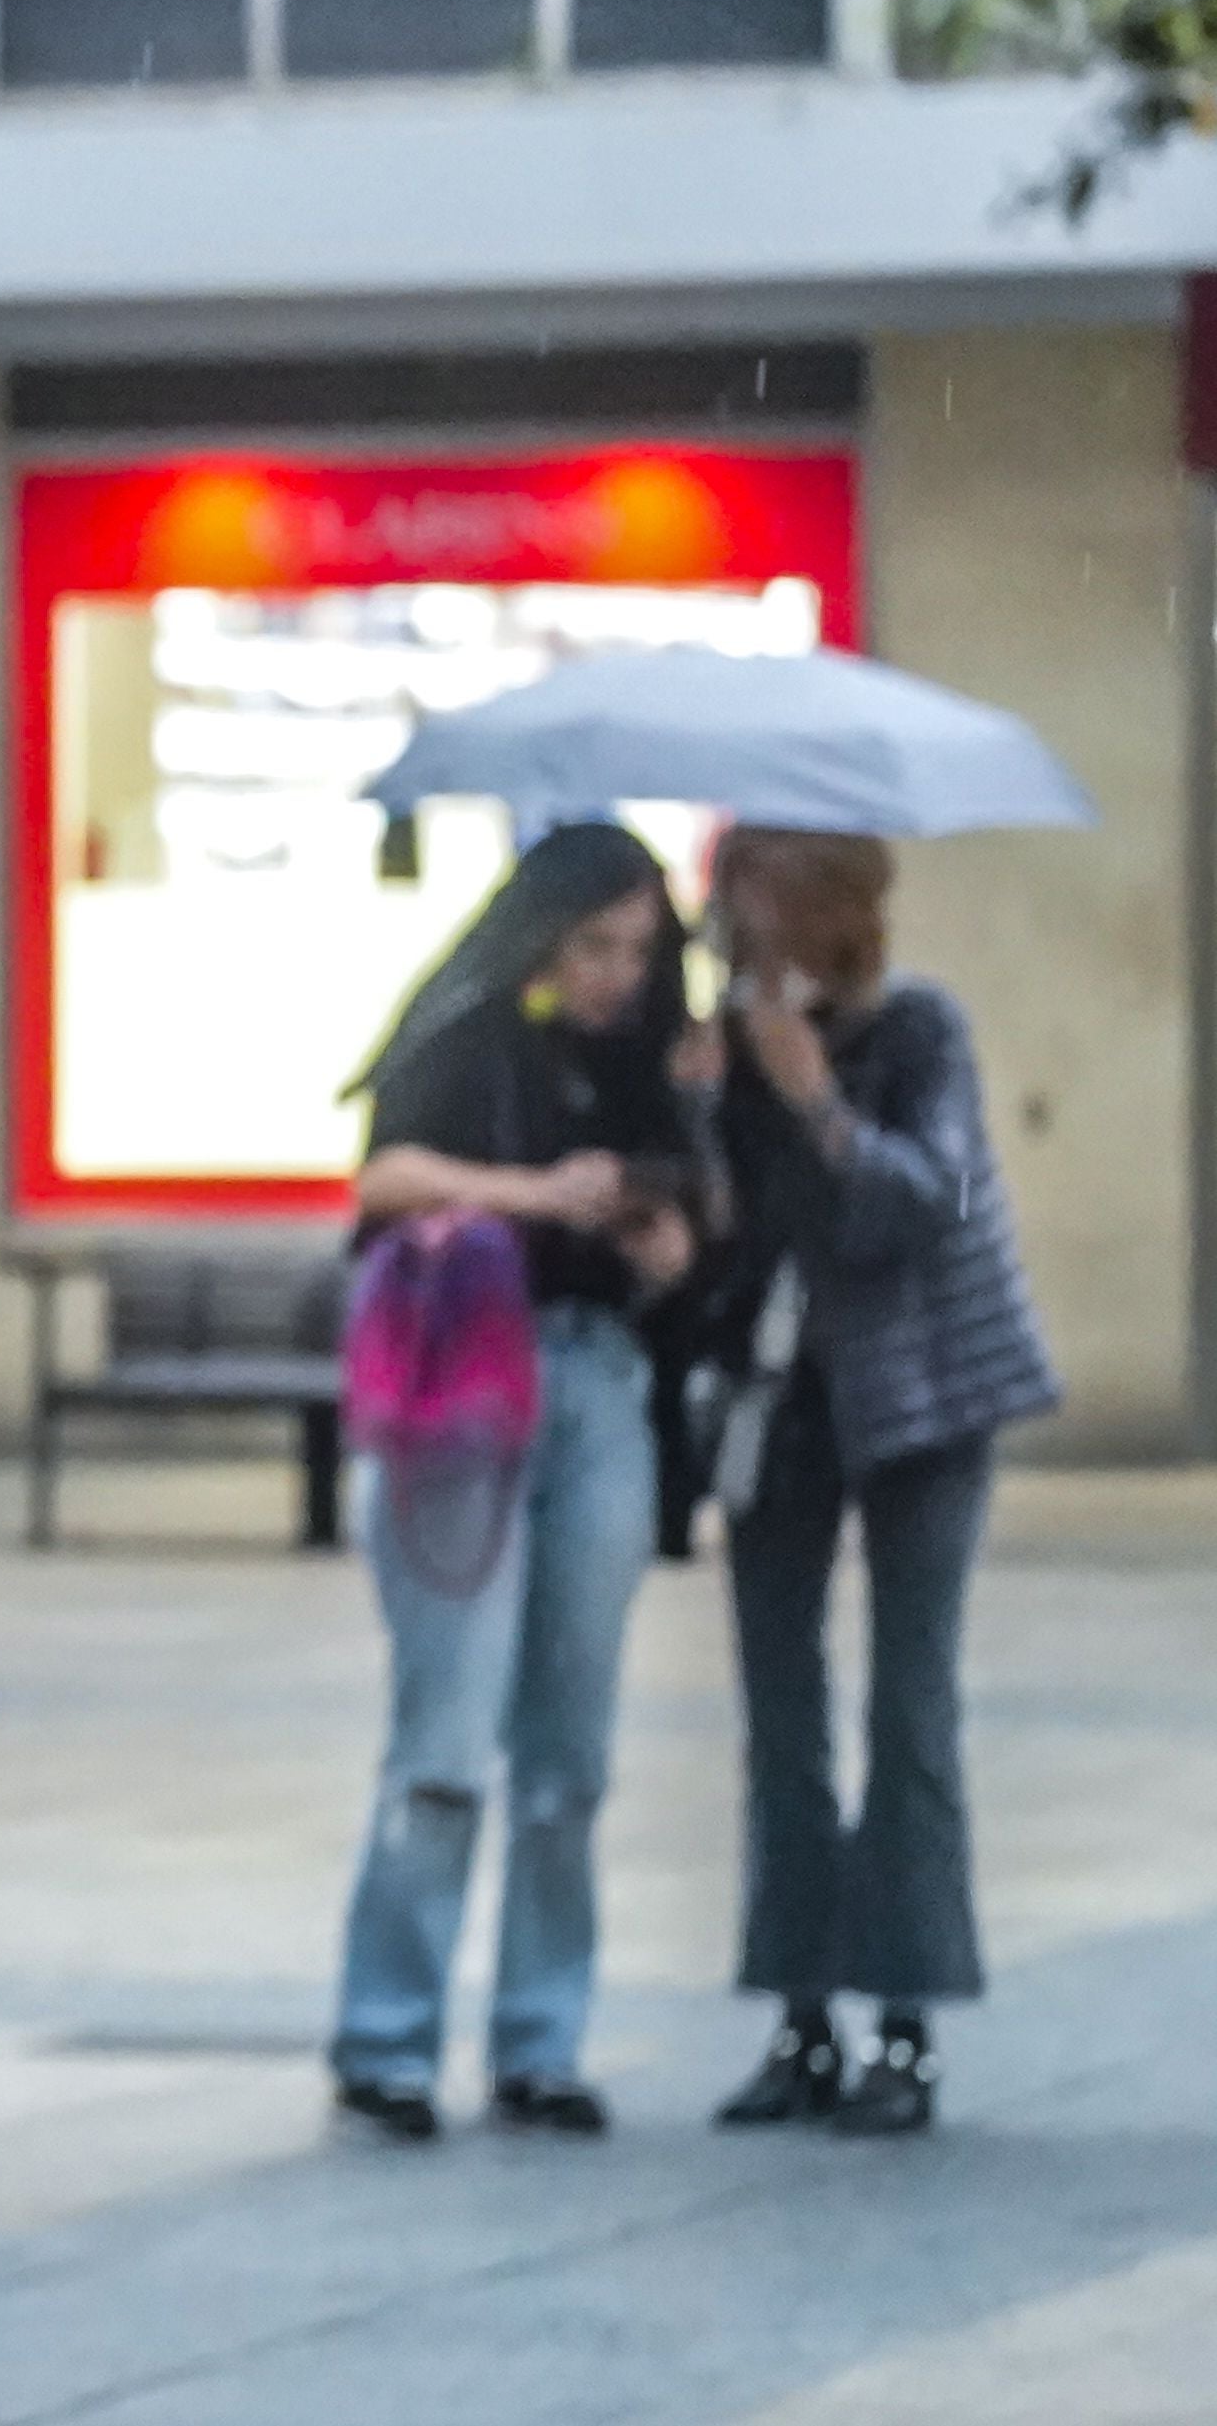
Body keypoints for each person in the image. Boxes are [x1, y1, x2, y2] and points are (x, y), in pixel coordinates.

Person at [323, 823, 703, 2143]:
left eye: (636, 951)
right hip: (465, 1403)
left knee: (568, 1751)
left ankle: (540, 2039)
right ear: (540, 929)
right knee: (442, 1736)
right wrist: (539, 1195)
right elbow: (380, 1177)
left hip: (598, 1387)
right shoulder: (468, 1029)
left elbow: (690, 1244)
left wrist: (662, 1236)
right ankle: (386, 2040)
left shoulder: (657, 1061)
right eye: (592, 944)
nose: (612, 974)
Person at [697, 828, 1059, 2137]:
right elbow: (721, 1244)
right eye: (732, 909)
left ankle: (900, 2033)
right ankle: (799, 2018)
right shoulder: (724, 1039)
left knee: (909, 1704)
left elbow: (931, 1197)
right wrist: (697, 1117)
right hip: (777, 1406)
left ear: (830, 908)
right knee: (777, 1716)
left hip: (923, 1402)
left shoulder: (918, 1030)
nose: (747, 935)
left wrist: (814, 1102)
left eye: (765, 905)